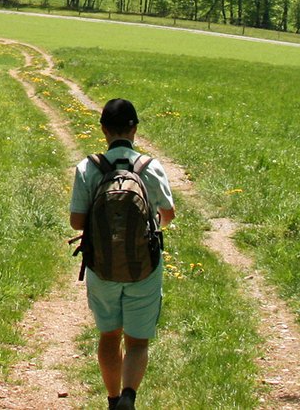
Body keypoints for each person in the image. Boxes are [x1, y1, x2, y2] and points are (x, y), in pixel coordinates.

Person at [70, 97, 175, 410]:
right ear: (135, 129)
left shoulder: (88, 167)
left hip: (101, 266)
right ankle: (129, 396)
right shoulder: (150, 167)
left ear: (103, 129)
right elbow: (167, 214)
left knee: (109, 335)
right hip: (144, 265)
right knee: (137, 341)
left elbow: (77, 220)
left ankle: (112, 399)